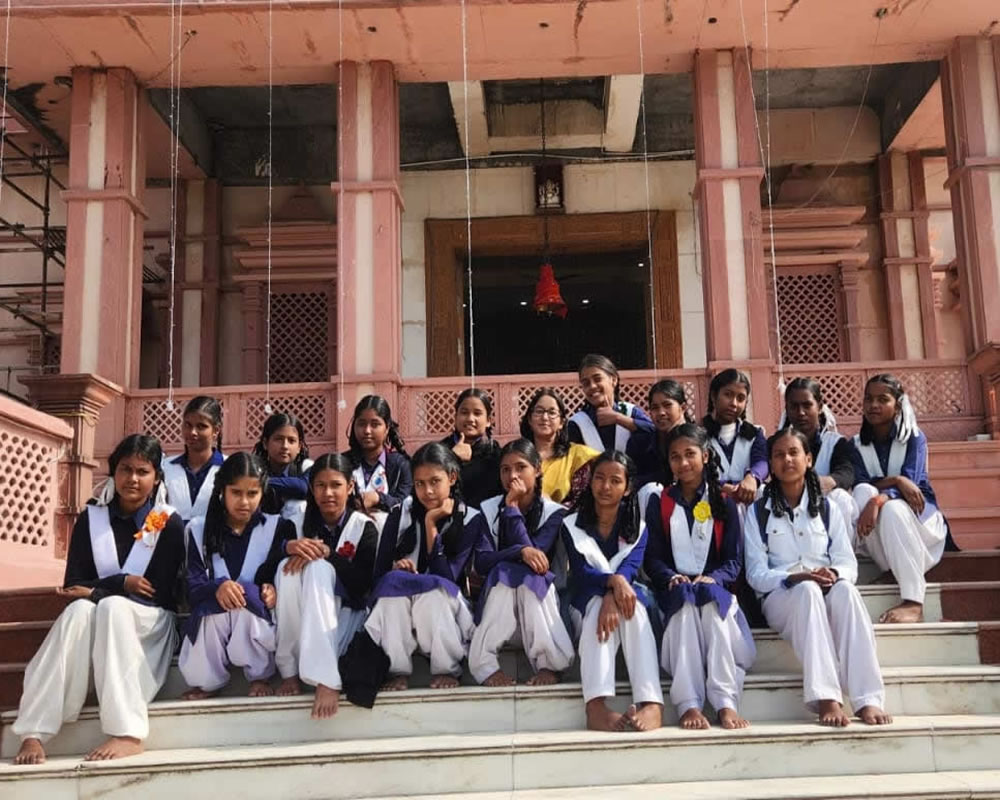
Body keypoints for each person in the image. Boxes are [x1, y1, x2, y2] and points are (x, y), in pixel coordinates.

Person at [12, 434, 185, 764]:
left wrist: (99, 591)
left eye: (143, 471)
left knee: (111, 607)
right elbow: (74, 586)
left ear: (156, 477)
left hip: (149, 624)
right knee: (78, 611)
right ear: (113, 472)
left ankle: (128, 731)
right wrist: (120, 583)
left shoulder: (164, 521)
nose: (132, 479)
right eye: (125, 469)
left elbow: (158, 593)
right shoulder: (92, 518)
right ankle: (34, 731)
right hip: (101, 615)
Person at [745, 427, 891, 727]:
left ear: (808, 459)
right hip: (783, 597)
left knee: (847, 592)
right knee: (808, 592)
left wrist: (833, 574)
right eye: (779, 455)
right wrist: (796, 577)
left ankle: (867, 698)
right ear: (771, 464)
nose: (787, 460)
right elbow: (756, 574)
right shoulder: (758, 512)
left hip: (826, 587)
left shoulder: (828, 508)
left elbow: (847, 562)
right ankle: (827, 697)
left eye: (794, 453)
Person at [644, 424, 755, 730]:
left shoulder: (724, 501)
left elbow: (733, 560)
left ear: (705, 456)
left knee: (711, 603)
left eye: (690, 454)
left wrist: (714, 578)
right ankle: (688, 703)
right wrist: (671, 576)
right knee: (684, 604)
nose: (683, 463)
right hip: (676, 591)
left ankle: (725, 702)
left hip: (714, 589)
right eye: (675, 457)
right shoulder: (660, 502)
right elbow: (653, 557)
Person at [561, 451, 664, 732]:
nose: (605, 486)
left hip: (624, 594)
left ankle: (651, 702)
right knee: (599, 608)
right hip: (584, 599)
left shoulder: (638, 527)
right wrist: (613, 585)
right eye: (599, 478)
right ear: (590, 481)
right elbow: (582, 573)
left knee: (634, 608)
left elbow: (630, 568)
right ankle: (595, 706)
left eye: (615, 480)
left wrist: (613, 590)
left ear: (628, 487)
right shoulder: (571, 524)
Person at [179, 453, 296, 700]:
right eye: (236, 492)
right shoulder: (198, 529)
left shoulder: (278, 527)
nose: (244, 502)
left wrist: (272, 589)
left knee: (247, 597)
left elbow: (281, 573)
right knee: (210, 609)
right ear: (222, 491)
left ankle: (259, 675)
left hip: (257, 616)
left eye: (252, 493)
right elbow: (193, 586)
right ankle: (206, 681)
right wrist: (218, 587)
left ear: (262, 493)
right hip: (216, 616)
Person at [365, 442, 480, 690]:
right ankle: (397, 670)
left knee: (432, 596)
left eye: (435, 482)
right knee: (391, 596)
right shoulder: (400, 513)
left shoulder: (470, 517)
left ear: (452, 477)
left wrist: (430, 524)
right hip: (406, 602)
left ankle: (446, 668)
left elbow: (447, 578)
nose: (427, 491)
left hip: (448, 605)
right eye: (419, 484)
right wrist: (396, 569)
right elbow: (379, 576)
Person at [273, 453, 379, 717]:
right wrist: (288, 547)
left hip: (346, 620)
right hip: (301, 624)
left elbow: (362, 585)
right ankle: (289, 670)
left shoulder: (363, 527)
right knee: (286, 569)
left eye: (336, 485)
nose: (328, 493)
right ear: (311, 488)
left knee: (318, 567)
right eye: (320, 485)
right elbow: (266, 569)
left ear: (350, 486)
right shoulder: (296, 524)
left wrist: (328, 555)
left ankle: (326, 677)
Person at [468, 439, 574, 687]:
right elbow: (482, 562)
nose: (512, 476)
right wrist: (519, 551)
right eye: (505, 470)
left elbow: (537, 561)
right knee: (505, 571)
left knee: (529, 576)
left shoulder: (554, 513)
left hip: (540, 608)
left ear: (537, 470)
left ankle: (549, 664)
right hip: (499, 608)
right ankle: (485, 666)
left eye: (520, 467)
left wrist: (513, 509)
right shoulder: (488, 509)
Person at [852, 374, 954, 624]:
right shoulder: (855, 444)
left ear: (897, 406)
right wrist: (897, 481)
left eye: (883, 399)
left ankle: (914, 602)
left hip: (920, 521)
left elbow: (913, 486)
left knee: (893, 508)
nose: (874, 405)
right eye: (869, 399)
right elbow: (860, 480)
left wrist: (880, 499)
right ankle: (891, 569)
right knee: (862, 492)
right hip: (885, 528)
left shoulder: (914, 438)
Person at [781, 377, 858, 530]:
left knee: (841, 497)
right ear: (787, 409)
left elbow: (846, 472)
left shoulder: (835, 442)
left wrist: (828, 481)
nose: (801, 412)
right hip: (788, 505)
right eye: (794, 406)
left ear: (820, 406)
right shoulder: (777, 444)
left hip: (824, 505)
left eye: (807, 405)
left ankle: (839, 546)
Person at [519, 387, 598, 507]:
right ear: (529, 419)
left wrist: (549, 507)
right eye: (539, 411)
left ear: (561, 422)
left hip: (565, 517)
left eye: (552, 413)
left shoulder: (576, 456)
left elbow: (581, 502)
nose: (545, 417)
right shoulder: (518, 455)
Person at [701, 369, 768, 506]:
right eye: (728, 395)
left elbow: (762, 461)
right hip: (709, 504)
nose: (734, 403)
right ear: (713, 396)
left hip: (748, 505)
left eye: (741, 398)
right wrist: (720, 486)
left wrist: (752, 477)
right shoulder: (698, 434)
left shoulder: (755, 433)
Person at [344, 395, 412, 522]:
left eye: (375, 424)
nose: (367, 431)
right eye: (361, 424)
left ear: (387, 428)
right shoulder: (342, 463)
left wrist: (379, 499)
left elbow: (406, 502)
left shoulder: (401, 465)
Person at [568, 354, 653, 453]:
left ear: (614, 380)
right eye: (586, 383)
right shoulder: (578, 422)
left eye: (597, 379)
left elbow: (656, 433)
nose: (592, 386)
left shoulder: (629, 411)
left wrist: (619, 419)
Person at [161, 395, 224, 521]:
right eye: (188, 425)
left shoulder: (229, 467)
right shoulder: (165, 467)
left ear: (216, 430)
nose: (192, 432)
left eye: (201, 426)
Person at [439, 388, 503, 509]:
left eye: (477, 413)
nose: (470, 418)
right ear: (455, 417)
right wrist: (452, 458)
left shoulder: (496, 454)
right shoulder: (440, 450)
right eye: (464, 412)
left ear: (488, 421)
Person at [629, 378, 693, 490]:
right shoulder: (639, 444)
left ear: (682, 408)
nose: (661, 413)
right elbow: (630, 482)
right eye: (655, 408)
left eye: (667, 405)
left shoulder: (698, 440)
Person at [253, 412, 312, 520]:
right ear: (265, 443)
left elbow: (304, 487)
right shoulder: (255, 467)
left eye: (291, 441)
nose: (285, 446)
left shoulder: (305, 466)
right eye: (278, 439)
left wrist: (262, 482)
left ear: (299, 447)